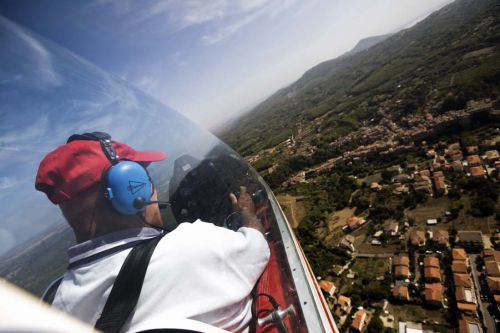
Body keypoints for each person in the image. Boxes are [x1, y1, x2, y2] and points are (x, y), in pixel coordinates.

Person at [35, 133, 270, 333]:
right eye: (144, 179)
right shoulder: (192, 245)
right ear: (126, 189)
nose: (153, 191)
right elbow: (257, 246)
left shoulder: (51, 303)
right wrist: (246, 214)